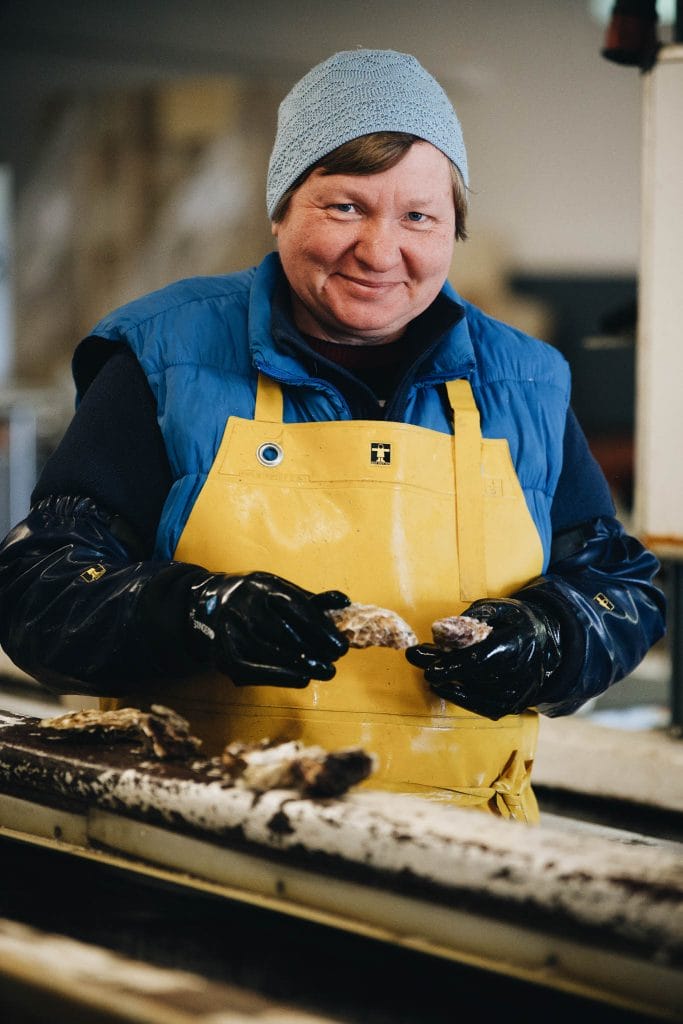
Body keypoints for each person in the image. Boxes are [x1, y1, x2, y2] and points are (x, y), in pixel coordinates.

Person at [0, 49, 665, 822]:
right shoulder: (164, 355)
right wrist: (191, 611)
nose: (380, 252)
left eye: (418, 217)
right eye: (345, 206)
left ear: (453, 229)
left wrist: (550, 635)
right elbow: (39, 590)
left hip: (469, 851)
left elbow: (618, 590)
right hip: (196, 837)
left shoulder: (525, 381)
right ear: (281, 209)